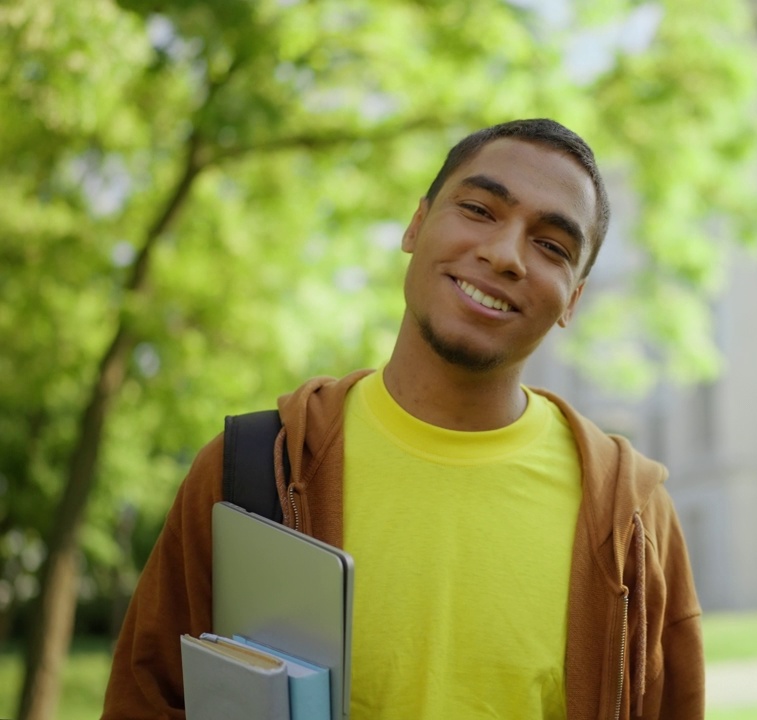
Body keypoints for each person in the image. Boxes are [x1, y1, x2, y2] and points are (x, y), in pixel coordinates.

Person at [103, 118, 704, 719]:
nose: (503, 254)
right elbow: (145, 701)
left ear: (573, 298)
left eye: (551, 246)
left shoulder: (634, 519)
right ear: (415, 225)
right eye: (478, 209)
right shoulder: (255, 471)